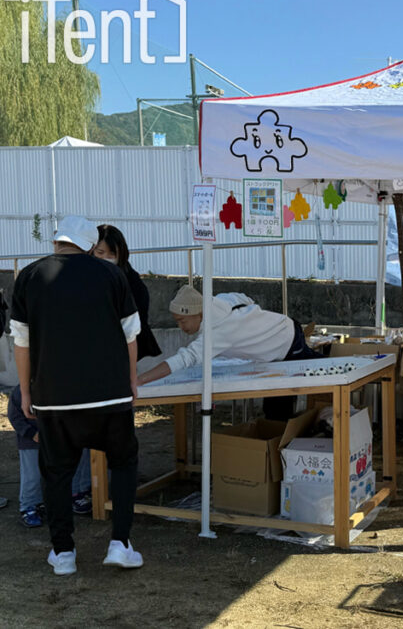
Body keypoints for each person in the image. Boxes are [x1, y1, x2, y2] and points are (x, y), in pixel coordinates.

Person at [10, 215, 143, 576]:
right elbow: (131, 334)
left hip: (53, 396)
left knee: (56, 472)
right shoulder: (111, 274)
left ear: (57, 241)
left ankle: (63, 552)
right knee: (123, 461)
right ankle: (120, 543)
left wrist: (26, 391)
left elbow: (21, 342)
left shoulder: (29, 276)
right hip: (109, 395)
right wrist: (131, 380)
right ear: (90, 245)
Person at [138, 285, 322, 420]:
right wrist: (253, 323)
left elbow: (185, 358)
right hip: (283, 330)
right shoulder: (219, 300)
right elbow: (244, 298)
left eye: (183, 321)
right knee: (275, 406)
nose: (180, 326)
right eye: (177, 321)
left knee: (322, 374)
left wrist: (141, 379)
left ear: (199, 314)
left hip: (287, 341)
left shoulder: (218, 333)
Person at [8, 387, 93, 527]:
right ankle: (30, 506)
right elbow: (15, 416)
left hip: (57, 438)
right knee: (33, 475)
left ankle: (74, 495)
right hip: (31, 442)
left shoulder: (58, 385)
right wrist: (31, 433)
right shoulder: (20, 392)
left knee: (70, 466)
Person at [92, 224, 162, 360]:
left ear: (121, 254)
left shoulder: (132, 283)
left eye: (112, 254)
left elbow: (134, 328)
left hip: (124, 350)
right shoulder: (87, 277)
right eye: (100, 253)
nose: (105, 257)